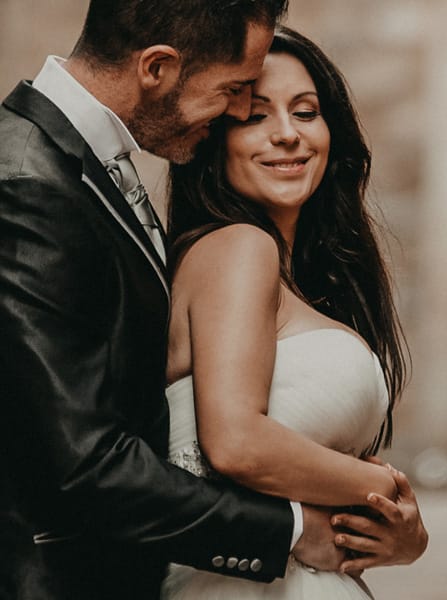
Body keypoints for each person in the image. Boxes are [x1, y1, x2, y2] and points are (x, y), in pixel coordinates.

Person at [0, 2, 399, 599]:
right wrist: (296, 528)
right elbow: (83, 463)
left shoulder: (91, 167)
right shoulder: (30, 181)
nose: (241, 110)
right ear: (157, 67)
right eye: (237, 91)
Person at [161, 25, 427, 599]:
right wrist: (386, 491)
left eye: (305, 112)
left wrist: (399, 536)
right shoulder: (237, 248)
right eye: (255, 116)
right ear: (213, 140)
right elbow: (234, 442)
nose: (287, 135)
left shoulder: (293, 276)